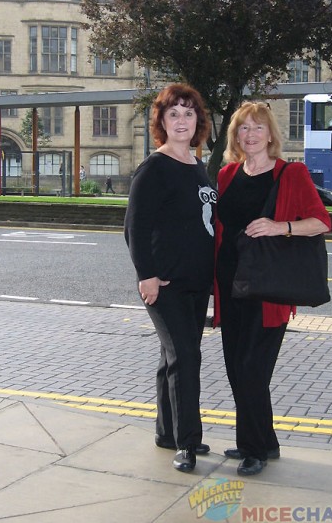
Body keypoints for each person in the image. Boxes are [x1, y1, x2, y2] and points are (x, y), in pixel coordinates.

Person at [214, 101, 331, 476]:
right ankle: (265, 440)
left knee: (252, 371)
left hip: (268, 292)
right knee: (236, 369)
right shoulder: (227, 175)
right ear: (235, 135)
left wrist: (280, 226)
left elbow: (322, 222)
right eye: (243, 128)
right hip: (231, 288)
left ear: (270, 134)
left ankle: (253, 450)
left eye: (257, 128)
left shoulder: (290, 173)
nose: (250, 135)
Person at [124, 83, 216, 473]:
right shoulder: (154, 167)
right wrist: (147, 276)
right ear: (161, 121)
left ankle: (166, 431)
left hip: (197, 283)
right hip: (165, 285)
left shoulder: (198, 166)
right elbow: (134, 227)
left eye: (188, 113)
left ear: (199, 121)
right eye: (173, 114)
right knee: (187, 357)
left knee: (172, 357)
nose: (182, 120)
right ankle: (187, 442)